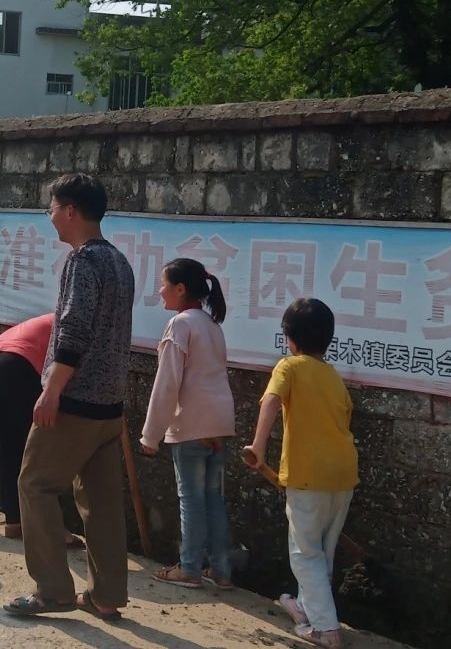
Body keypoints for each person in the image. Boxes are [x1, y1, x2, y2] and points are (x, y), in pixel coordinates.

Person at [5, 173, 134, 624]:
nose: (50, 216)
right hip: (110, 406)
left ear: (71, 211)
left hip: (76, 400)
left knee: (34, 483)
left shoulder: (83, 262)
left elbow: (74, 330)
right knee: (100, 504)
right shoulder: (120, 261)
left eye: (52, 207)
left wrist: (51, 390)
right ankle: (106, 596)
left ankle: (53, 590)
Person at [242, 298, 358, 649]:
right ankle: (307, 607)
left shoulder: (288, 367)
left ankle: (326, 630)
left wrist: (258, 447)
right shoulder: (333, 377)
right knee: (323, 550)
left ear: (289, 337)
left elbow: (271, 401)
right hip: (343, 475)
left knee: (305, 553)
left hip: (309, 477)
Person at [139, 258, 236, 590]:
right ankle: (222, 570)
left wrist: (150, 435)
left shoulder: (180, 325)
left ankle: (190, 568)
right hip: (220, 424)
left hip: (192, 425)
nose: (160, 290)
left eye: (164, 284)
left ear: (180, 289)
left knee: (191, 498)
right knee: (212, 498)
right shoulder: (211, 325)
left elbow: (167, 385)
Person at [0, 313, 87, 549]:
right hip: (19, 365)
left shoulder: (57, 318)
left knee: (10, 446)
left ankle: (14, 521)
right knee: (42, 450)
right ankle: (51, 529)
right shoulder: (78, 325)